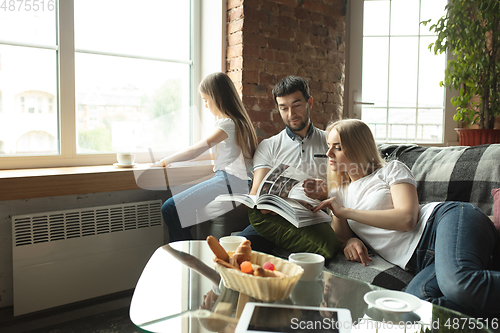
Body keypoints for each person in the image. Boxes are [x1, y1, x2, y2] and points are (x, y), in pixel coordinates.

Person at [313, 118, 500, 317]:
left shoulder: (391, 170)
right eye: (328, 146)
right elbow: (342, 237)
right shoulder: (340, 193)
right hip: (424, 261)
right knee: (413, 312)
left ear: (357, 148)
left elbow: (407, 219)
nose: (328, 154)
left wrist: (346, 212)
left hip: (446, 221)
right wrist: (349, 237)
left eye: (337, 147)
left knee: (459, 284)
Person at [152, 72, 258, 242]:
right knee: (178, 210)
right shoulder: (240, 122)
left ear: (217, 98)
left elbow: (194, 150)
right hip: (236, 180)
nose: (206, 105)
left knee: (170, 208)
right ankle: (189, 250)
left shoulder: (227, 124)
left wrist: (163, 162)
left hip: (230, 180)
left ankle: (186, 256)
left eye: (206, 100)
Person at [238, 75, 334, 253]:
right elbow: (256, 192)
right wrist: (264, 205)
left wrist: (323, 193)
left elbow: (345, 189)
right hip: (277, 220)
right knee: (237, 249)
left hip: (316, 219)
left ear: (309, 103)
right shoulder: (269, 146)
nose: (291, 114)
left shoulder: (329, 141)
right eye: (284, 108)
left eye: (296, 105)